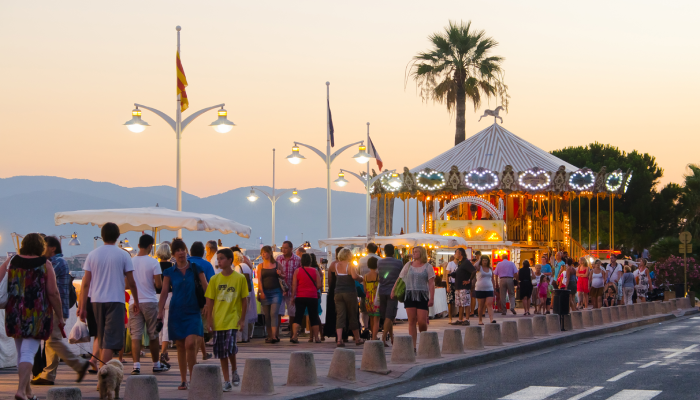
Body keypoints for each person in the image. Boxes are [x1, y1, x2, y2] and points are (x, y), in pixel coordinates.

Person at [1, 234, 64, 400]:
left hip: (13, 313)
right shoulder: (45, 264)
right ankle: (21, 391)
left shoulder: (11, 261)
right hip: (36, 314)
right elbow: (53, 293)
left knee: (21, 353)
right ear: (40, 247)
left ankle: (28, 391)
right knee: (28, 353)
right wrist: (61, 316)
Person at [31, 236, 90, 386]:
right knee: (52, 342)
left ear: (53, 248)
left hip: (55, 308)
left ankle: (76, 365)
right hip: (52, 308)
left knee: (54, 341)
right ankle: (48, 374)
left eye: (44, 246)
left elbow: (39, 277)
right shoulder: (54, 262)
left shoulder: (57, 263)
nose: (42, 249)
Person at [79, 223, 139, 367]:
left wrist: (82, 307)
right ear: (118, 237)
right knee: (110, 341)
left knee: (101, 336)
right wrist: (136, 301)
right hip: (116, 300)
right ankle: (103, 375)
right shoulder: (124, 255)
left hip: (96, 300)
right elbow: (131, 282)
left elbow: (85, 284)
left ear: (102, 236)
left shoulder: (92, 254)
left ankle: (101, 371)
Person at [157, 239, 208, 391]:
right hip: (176, 311)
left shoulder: (195, 268)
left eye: (182, 249)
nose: (181, 252)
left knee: (190, 343)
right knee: (180, 346)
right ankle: (184, 380)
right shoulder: (169, 272)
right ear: (173, 254)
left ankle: (193, 378)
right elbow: (164, 292)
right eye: (177, 250)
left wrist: (207, 304)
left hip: (193, 311)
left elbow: (206, 288)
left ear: (186, 251)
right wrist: (160, 312)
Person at [205, 248, 249, 391]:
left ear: (230, 260)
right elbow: (209, 301)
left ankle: (234, 370)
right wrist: (209, 320)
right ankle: (227, 380)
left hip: (232, 319)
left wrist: (242, 319)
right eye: (218, 258)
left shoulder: (239, 278)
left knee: (230, 348)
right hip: (219, 320)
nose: (219, 261)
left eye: (222, 258)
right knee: (221, 352)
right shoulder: (214, 279)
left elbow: (244, 300)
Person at [125, 234, 167, 375]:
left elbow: (127, 283)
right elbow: (159, 284)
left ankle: (136, 366)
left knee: (136, 335)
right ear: (151, 246)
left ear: (138, 246)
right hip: (150, 301)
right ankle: (156, 364)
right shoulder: (154, 263)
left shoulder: (130, 261)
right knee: (153, 334)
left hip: (134, 302)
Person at [392, 246, 435, 350]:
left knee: (421, 321)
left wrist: (431, 298)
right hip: (409, 294)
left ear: (422, 253)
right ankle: (413, 346)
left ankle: (424, 337)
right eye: (413, 252)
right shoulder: (408, 265)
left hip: (422, 295)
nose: (414, 253)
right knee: (411, 321)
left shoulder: (428, 267)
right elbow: (400, 278)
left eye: (416, 252)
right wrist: (393, 290)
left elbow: (431, 283)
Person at [187, 241, 215, 361]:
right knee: (200, 330)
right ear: (203, 252)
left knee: (191, 329)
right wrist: (208, 303)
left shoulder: (185, 264)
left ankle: (198, 355)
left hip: (186, 300)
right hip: (202, 301)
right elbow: (211, 284)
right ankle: (194, 357)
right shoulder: (207, 265)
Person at [334, 248, 364, 347]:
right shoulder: (350, 265)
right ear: (349, 255)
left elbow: (336, 275)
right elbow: (354, 276)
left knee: (340, 316)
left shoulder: (336, 265)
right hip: (349, 292)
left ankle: (339, 340)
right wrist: (361, 278)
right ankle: (357, 339)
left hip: (338, 292)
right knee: (353, 314)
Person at [290, 254, 322, 343]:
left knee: (298, 317)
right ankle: (317, 338)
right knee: (314, 317)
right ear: (310, 261)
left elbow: (294, 285)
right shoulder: (315, 271)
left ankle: (294, 336)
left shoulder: (297, 271)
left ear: (301, 261)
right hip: (312, 296)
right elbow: (319, 285)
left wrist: (292, 297)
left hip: (300, 296)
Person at [257, 245, 284, 343]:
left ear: (270, 253)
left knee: (274, 313)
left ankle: (274, 336)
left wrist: (280, 274)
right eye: (262, 253)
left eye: (265, 252)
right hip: (265, 291)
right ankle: (269, 335)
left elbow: (284, 275)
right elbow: (259, 280)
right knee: (267, 315)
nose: (263, 254)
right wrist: (261, 292)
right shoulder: (260, 266)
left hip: (276, 291)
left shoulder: (277, 264)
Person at [377, 244, 402, 346]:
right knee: (389, 316)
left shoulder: (379, 262)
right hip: (393, 291)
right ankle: (383, 338)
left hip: (382, 290)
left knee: (387, 316)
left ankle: (392, 338)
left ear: (384, 251)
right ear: (394, 251)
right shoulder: (399, 263)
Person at [276, 241, 301, 334]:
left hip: (292, 290)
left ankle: (293, 332)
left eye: (286, 248)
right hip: (280, 290)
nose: (283, 250)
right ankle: (276, 333)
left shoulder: (297, 260)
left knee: (292, 313)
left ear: (291, 248)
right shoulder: (278, 259)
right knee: (278, 312)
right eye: (283, 248)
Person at [323, 247, 347, 342]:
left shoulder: (333, 265)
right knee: (345, 312)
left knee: (334, 312)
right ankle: (345, 333)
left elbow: (330, 279)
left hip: (334, 289)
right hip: (345, 289)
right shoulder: (347, 265)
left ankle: (334, 332)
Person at [233, 251, 257, 343]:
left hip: (241, 294)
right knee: (245, 315)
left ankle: (239, 337)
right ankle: (245, 336)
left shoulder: (237, 267)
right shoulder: (246, 266)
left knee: (239, 315)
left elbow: (237, 281)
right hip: (249, 292)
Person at [156, 242, 173, 367]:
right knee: (167, 325)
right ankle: (164, 351)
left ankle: (159, 351)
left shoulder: (155, 266)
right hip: (170, 296)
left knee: (158, 325)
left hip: (156, 297)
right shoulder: (173, 267)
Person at [450, 248, 475, 325]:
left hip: (464, 286)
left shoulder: (466, 262)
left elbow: (473, 271)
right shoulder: (460, 263)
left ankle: (467, 319)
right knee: (460, 303)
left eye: (456, 253)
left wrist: (469, 280)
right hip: (458, 286)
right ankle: (460, 319)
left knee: (466, 303)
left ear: (460, 253)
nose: (455, 254)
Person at [358, 243, 380, 331]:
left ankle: (366, 327)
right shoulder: (380, 259)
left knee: (364, 310)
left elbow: (358, 272)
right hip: (376, 291)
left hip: (365, 288)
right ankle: (374, 329)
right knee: (376, 313)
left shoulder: (361, 260)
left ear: (367, 249)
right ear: (376, 250)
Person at [474, 255, 496, 324]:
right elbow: (474, 265)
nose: (485, 262)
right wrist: (479, 259)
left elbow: (492, 278)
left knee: (489, 304)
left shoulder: (490, 268)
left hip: (489, 288)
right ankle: (480, 320)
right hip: (480, 288)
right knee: (481, 305)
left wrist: (494, 287)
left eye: (486, 260)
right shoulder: (479, 268)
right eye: (483, 260)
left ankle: (491, 319)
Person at [443, 256, 457, 324]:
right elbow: (447, 275)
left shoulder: (460, 264)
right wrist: (447, 285)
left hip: (458, 283)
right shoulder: (450, 264)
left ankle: (458, 316)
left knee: (458, 301)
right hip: (451, 283)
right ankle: (450, 317)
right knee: (450, 301)